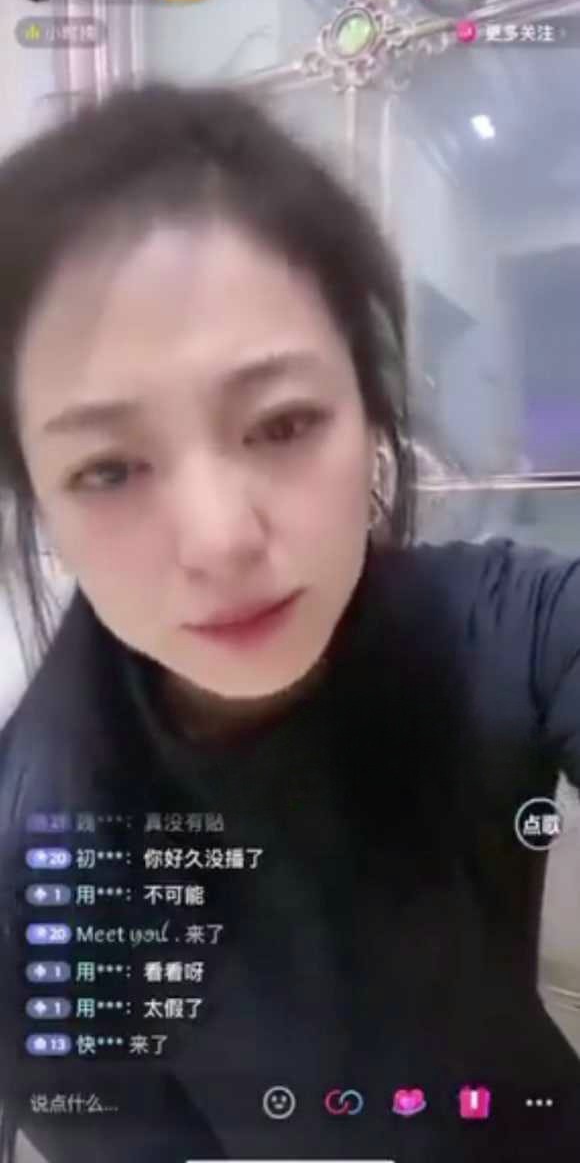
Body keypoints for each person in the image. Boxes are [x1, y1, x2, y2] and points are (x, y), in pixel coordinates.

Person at [0, 82, 579, 1163]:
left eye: (282, 422)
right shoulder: (32, 854)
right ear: (40, 498)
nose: (220, 537)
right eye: (109, 468)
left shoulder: (513, 622)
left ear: (372, 415)